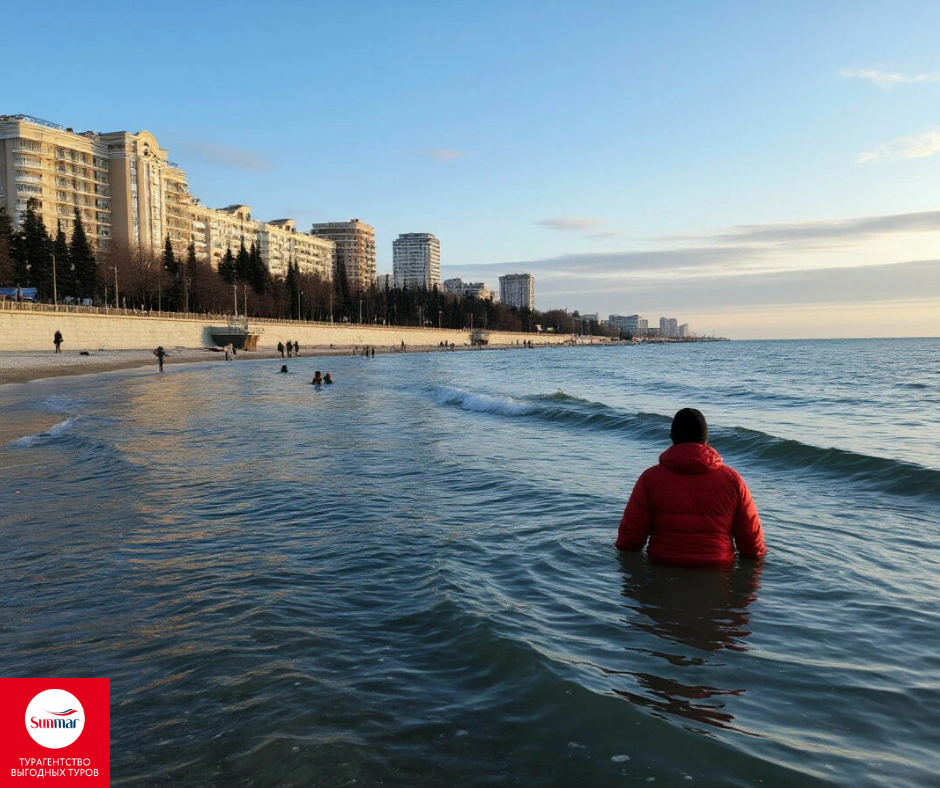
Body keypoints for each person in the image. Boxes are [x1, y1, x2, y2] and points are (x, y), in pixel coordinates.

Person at [616, 408, 765, 568]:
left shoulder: (650, 478)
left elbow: (630, 540)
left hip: (663, 565)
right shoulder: (732, 480)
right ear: (705, 439)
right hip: (717, 571)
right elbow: (752, 545)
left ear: (672, 437)